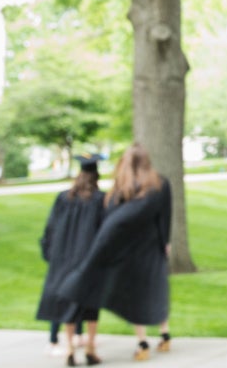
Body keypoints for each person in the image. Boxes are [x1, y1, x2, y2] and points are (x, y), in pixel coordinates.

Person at [59, 143, 172, 362]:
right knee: (154, 290)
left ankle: (142, 342)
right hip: (150, 246)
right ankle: (164, 334)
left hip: (129, 248)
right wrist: (164, 241)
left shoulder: (122, 186)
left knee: (136, 292)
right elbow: (164, 216)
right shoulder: (160, 183)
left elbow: (112, 217)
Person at [37, 153, 105, 366]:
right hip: (89, 261)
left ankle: (69, 348)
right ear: (97, 175)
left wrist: (50, 255)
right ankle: (91, 348)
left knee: (68, 303)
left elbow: (50, 229)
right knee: (91, 305)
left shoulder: (63, 198)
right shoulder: (101, 199)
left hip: (64, 260)